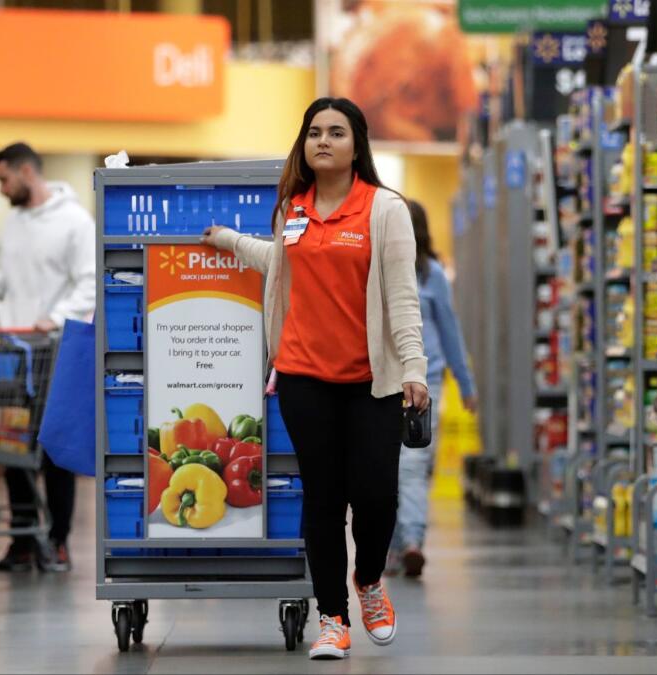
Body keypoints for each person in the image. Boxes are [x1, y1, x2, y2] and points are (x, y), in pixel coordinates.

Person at [201, 97, 429, 662]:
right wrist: (229, 240)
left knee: (375, 495)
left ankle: (370, 580)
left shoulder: (384, 210)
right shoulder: (293, 210)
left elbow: (402, 297)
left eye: (337, 132)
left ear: (358, 146)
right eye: (314, 132)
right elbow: (278, 263)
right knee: (322, 500)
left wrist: (415, 366)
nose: (323, 141)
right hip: (303, 379)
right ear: (304, 145)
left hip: (372, 382)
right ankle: (332, 619)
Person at [0, 142, 96, 573]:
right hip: (13, 351)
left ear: (27, 172)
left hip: (52, 351)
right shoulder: (14, 223)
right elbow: (9, 282)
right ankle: (24, 541)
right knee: (9, 447)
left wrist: (55, 317)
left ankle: (59, 540)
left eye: (3, 178)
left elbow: (88, 283)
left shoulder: (75, 223)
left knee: (53, 452)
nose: (0, 187)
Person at [386, 200, 476, 579]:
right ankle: (399, 546)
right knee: (387, 467)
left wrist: (466, 384)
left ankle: (409, 543)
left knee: (413, 463)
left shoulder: (432, 275)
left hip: (426, 379)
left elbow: (450, 332)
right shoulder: (378, 268)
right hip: (383, 379)